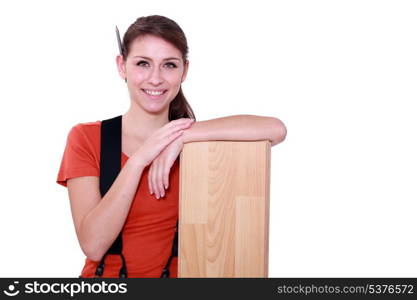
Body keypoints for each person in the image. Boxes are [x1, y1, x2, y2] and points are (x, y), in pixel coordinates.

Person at [56, 15, 287, 278]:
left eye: (169, 65)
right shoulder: (87, 137)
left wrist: (180, 136)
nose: (155, 79)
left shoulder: (194, 144)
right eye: (143, 63)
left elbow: (276, 129)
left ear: (184, 71)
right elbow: (93, 245)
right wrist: (138, 160)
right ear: (122, 66)